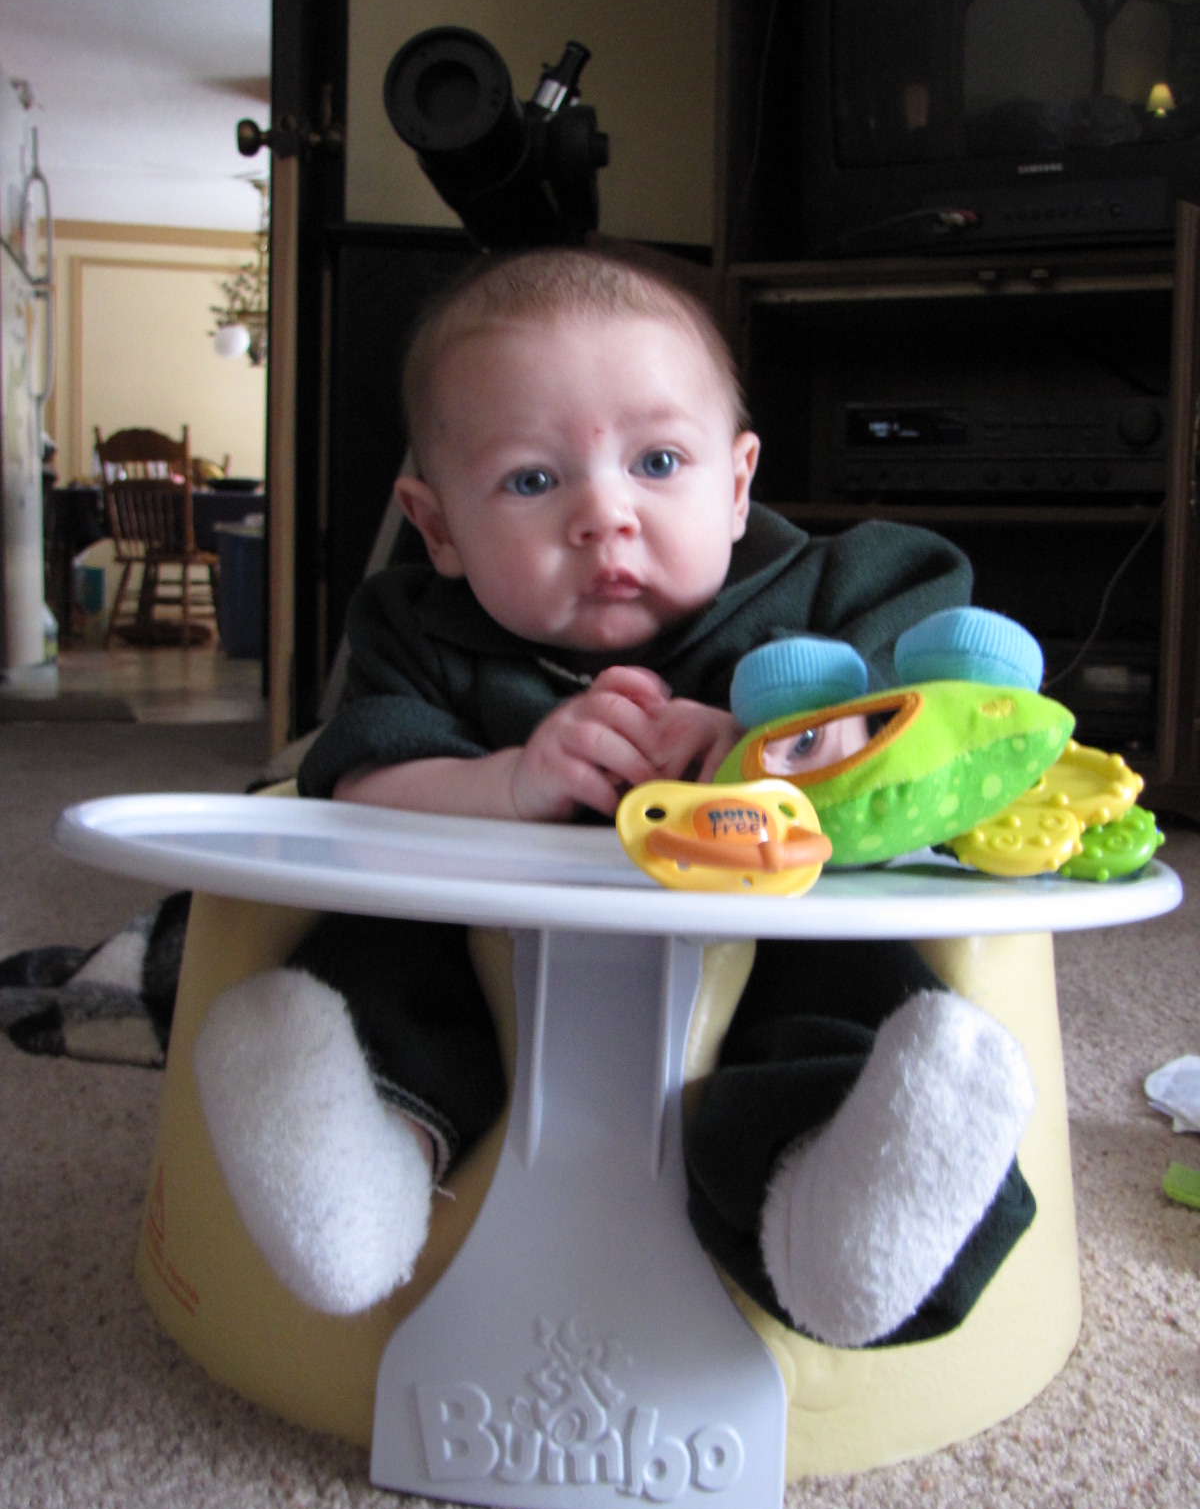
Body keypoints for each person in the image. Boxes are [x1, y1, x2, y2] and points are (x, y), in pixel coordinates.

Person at [192, 247, 1035, 1344]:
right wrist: (509, 781)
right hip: (488, 949)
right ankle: (350, 1148)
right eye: (531, 481)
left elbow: (935, 720)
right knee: (383, 943)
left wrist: (774, 752)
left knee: (849, 978)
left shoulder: (825, 595)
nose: (605, 514)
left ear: (737, 485)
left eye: (659, 461)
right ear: (437, 526)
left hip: (771, 940)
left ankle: (849, 1201)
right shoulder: (423, 630)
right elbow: (357, 784)